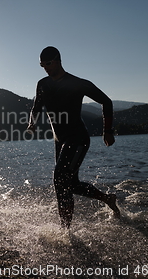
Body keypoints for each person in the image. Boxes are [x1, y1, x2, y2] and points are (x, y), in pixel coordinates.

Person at [27, 46, 120, 228]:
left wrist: (107, 131)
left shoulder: (77, 83)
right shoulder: (42, 84)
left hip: (77, 138)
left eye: (48, 63)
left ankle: (65, 231)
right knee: (71, 183)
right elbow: (36, 107)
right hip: (59, 141)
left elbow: (106, 101)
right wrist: (32, 123)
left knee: (60, 178)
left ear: (58, 60)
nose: (45, 68)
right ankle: (107, 198)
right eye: (41, 65)